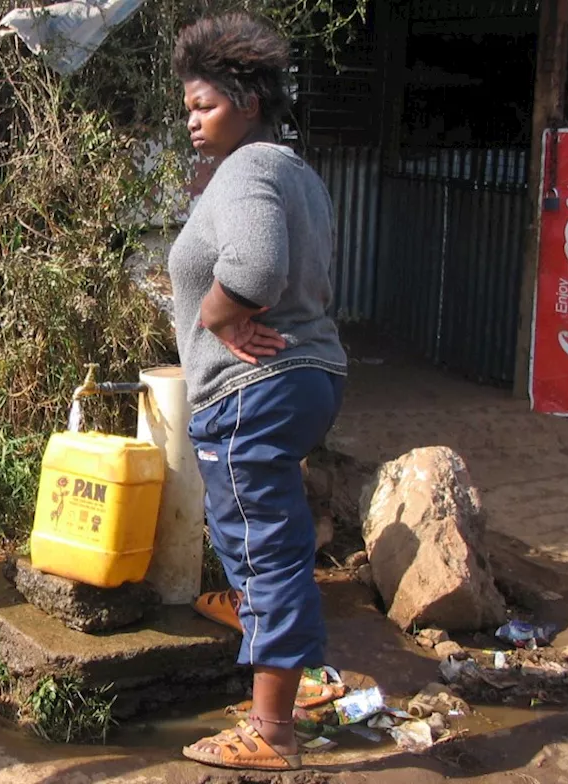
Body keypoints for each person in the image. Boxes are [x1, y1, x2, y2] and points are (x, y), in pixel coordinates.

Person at [167, 13, 348, 772]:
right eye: (186, 111)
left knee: (264, 544)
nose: (192, 124)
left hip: (254, 388)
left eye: (203, 107)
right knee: (250, 522)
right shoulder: (295, 172)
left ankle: (274, 728)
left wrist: (215, 311)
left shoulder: (247, 170)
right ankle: (266, 631)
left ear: (246, 99)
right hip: (303, 378)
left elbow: (257, 267)